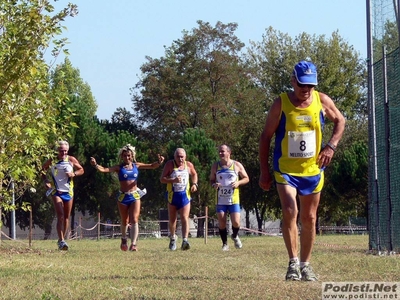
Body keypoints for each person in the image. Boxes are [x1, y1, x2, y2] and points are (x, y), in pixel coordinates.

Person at [258, 61, 345, 281]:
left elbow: (340, 120)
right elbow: (265, 137)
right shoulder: (281, 104)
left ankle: (306, 265)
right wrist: (264, 172)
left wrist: (331, 145)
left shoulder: (321, 100)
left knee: (309, 217)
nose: (306, 90)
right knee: (290, 210)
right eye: (301, 84)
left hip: (313, 170)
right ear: (292, 81)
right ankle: (293, 263)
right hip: (286, 170)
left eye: (310, 85)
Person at [90, 144, 164, 251]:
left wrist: (159, 162)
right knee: (124, 220)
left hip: (134, 196)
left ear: (132, 155)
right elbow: (105, 169)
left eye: (128, 155)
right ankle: (124, 238)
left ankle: (133, 244)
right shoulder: (119, 168)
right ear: (122, 156)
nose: (127, 158)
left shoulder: (136, 166)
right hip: (123, 197)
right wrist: (95, 165)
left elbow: (152, 166)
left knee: (134, 219)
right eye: (124, 156)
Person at [42, 140, 84, 251]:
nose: (63, 153)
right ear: (57, 151)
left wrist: (73, 174)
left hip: (68, 192)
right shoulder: (52, 160)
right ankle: (61, 241)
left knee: (66, 217)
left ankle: (62, 239)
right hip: (56, 191)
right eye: (61, 151)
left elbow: (81, 169)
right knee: (60, 215)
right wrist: (46, 180)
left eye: (65, 151)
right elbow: (42, 170)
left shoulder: (71, 159)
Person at [209, 144, 249, 251]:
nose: (221, 153)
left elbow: (246, 178)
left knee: (236, 222)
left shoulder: (236, 165)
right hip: (221, 199)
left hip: (233, 199)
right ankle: (225, 244)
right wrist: (214, 185)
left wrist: (238, 183)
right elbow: (211, 180)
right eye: (220, 151)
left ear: (229, 152)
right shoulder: (215, 166)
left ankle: (235, 236)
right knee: (221, 222)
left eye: (223, 151)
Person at [160, 148, 198, 251]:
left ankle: (185, 240)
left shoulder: (188, 165)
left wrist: (194, 184)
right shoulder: (169, 165)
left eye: (182, 156)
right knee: (172, 219)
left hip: (185, 196)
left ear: (185, 157)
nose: (180, 159)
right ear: (174, 157)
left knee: (185, 218)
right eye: (178, 156)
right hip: (173, 196)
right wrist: (173, 180)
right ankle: (173, 238)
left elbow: (194, 174)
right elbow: (162, 179)